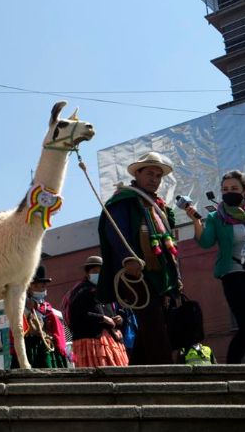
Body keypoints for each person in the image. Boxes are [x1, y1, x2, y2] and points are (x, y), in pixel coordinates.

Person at [96, 152, 181, 365]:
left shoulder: (158, 206)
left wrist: (174, 274)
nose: (154, 179)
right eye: (149, 174)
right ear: (138, 174)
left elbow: (167, 242)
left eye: (158, 176)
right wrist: (128, 258)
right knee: (154, 323)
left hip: (159, 275)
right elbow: (116, 231)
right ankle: (167, 375)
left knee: (151, 324)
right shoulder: (123, 201)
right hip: (135, 274)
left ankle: (135, 373)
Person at [184, 170, 245, 363]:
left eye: (234, 188)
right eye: (225, 189)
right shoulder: (216, 217)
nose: (229, 192)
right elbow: (206, 242)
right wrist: (196, 221)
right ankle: (230, 370)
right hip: (237, 275)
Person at [61, 256, 129, 367]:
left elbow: (113, 312)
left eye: (100, 271)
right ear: (88, 274)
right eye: (94, 271)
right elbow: (78, 315)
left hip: (110, 339)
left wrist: (118, 319)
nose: (98, 273)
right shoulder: (81, 291)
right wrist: (102, 318)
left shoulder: (105, 292)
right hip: (90, 341)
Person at [10, 265, 68, 368]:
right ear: (28, 287)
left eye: (43, 286)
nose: (41, 289)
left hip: (46, 345)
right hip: (30, 347)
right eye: (36, 286)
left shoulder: (46, 307)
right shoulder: (21, 305)